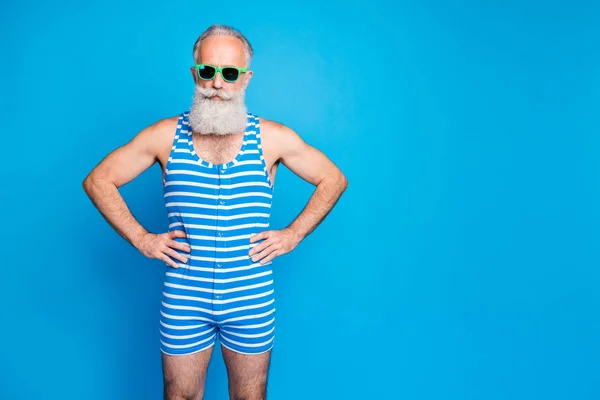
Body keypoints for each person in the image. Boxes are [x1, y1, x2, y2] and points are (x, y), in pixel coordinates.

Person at [82, 24, 348, 400]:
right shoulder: (164, 135)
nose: (217, 84)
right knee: (181, 395)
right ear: (195, 74)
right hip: (184, 296)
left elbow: (332, 179)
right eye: (208, 72)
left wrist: (293, 234)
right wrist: (142, 238)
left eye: (229, 73)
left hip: (251, 295)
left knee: (249, 396)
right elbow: (99, 180)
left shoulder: (272, 138)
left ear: (246, 79)